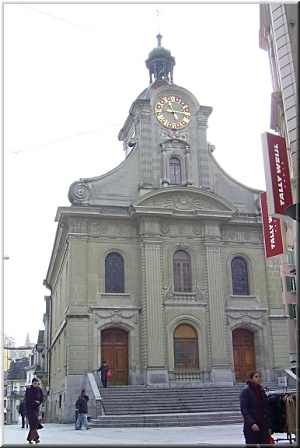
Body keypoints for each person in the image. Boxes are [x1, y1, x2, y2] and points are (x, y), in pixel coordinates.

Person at [240, 370, 272, 444]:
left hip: (263, 425)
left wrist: (269, 426)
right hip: (251, 427)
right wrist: (252, 423)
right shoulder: (245, 391)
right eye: (256, 377)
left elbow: (266, 408)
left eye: (260, 377)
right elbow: (244, 409)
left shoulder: (261, 391)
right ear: (251, 379)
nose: (259, 378)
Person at [25, 378, 44, 444]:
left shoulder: (39, 389)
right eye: (34, 383)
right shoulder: (29, 389)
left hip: (36, 409)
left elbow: (41, 398)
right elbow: (27, 399)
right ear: (32, 383)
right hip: (30, 409)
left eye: (37, 383)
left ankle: (30, 439)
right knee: (33, 424)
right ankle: (36, 438)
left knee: (34, 424)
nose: (36, 384)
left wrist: (38, 403)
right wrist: (35, 402)